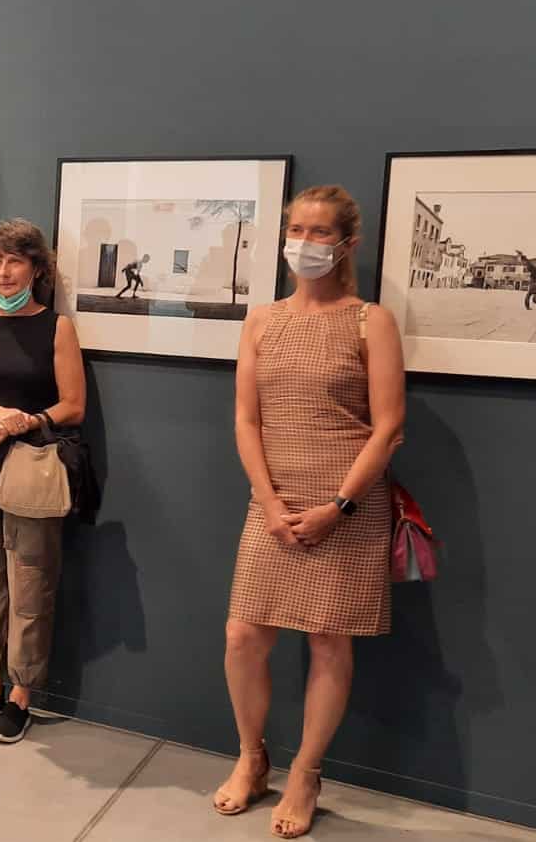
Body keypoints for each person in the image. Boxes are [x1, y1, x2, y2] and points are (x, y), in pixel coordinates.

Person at [214, 185, 405, 838]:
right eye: (296, 229)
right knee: (243, 636)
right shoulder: (262, 321)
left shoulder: (370, 321)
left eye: (320, 231)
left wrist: (338, 507)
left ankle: (306, 772)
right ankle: (252, 756)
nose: (304, 242)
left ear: (347, 244)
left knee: (328, 639)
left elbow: (389, 427)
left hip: (346, 506)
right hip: (272, 502)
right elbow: (246, 419)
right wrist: (270, 502)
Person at [0, 218, 86, 744]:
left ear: (37, 269)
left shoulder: (57, 328)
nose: (4, 271)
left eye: (15, 261)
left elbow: (73, 406)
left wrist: (27, 421)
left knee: (29, 580)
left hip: (33, 467)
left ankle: (21, 697)